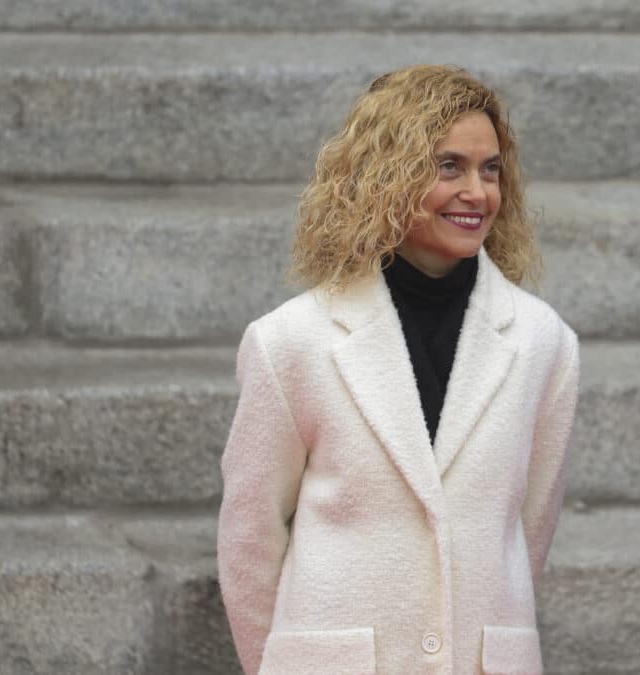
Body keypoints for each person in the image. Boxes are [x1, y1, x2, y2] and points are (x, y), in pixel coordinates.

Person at [217, 65, 579, 675]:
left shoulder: (547, 343)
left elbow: (526, 531)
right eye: (448, 167)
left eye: (490, 169)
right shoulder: (290, 341)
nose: (478, 192)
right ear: (386, 174)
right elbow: (249, 537)